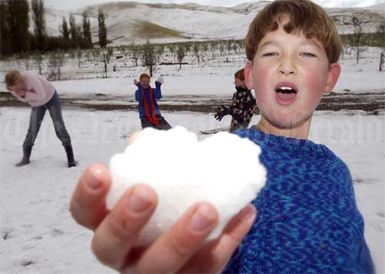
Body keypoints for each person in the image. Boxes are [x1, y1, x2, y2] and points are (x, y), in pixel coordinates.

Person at [70, 0, 374, 272]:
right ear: (251, 74)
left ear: (330, 78)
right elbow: (194, 240)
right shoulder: (225, 163)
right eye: (271, 52)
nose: (287, 65)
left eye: (307, 53)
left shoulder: (336, 171)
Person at [5, 70, 77, 168]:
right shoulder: (12, 89)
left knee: (59, 127)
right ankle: (25, 158)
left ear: (20, 81)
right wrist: (23, 95)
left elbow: (41, 95)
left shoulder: (30, 78)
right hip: (36, 104)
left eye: (17, 87)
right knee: (32, 130)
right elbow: (22, 98)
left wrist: (25, 94)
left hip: (50, 98)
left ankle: (71, 159)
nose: (16, 90)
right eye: (13, 89)